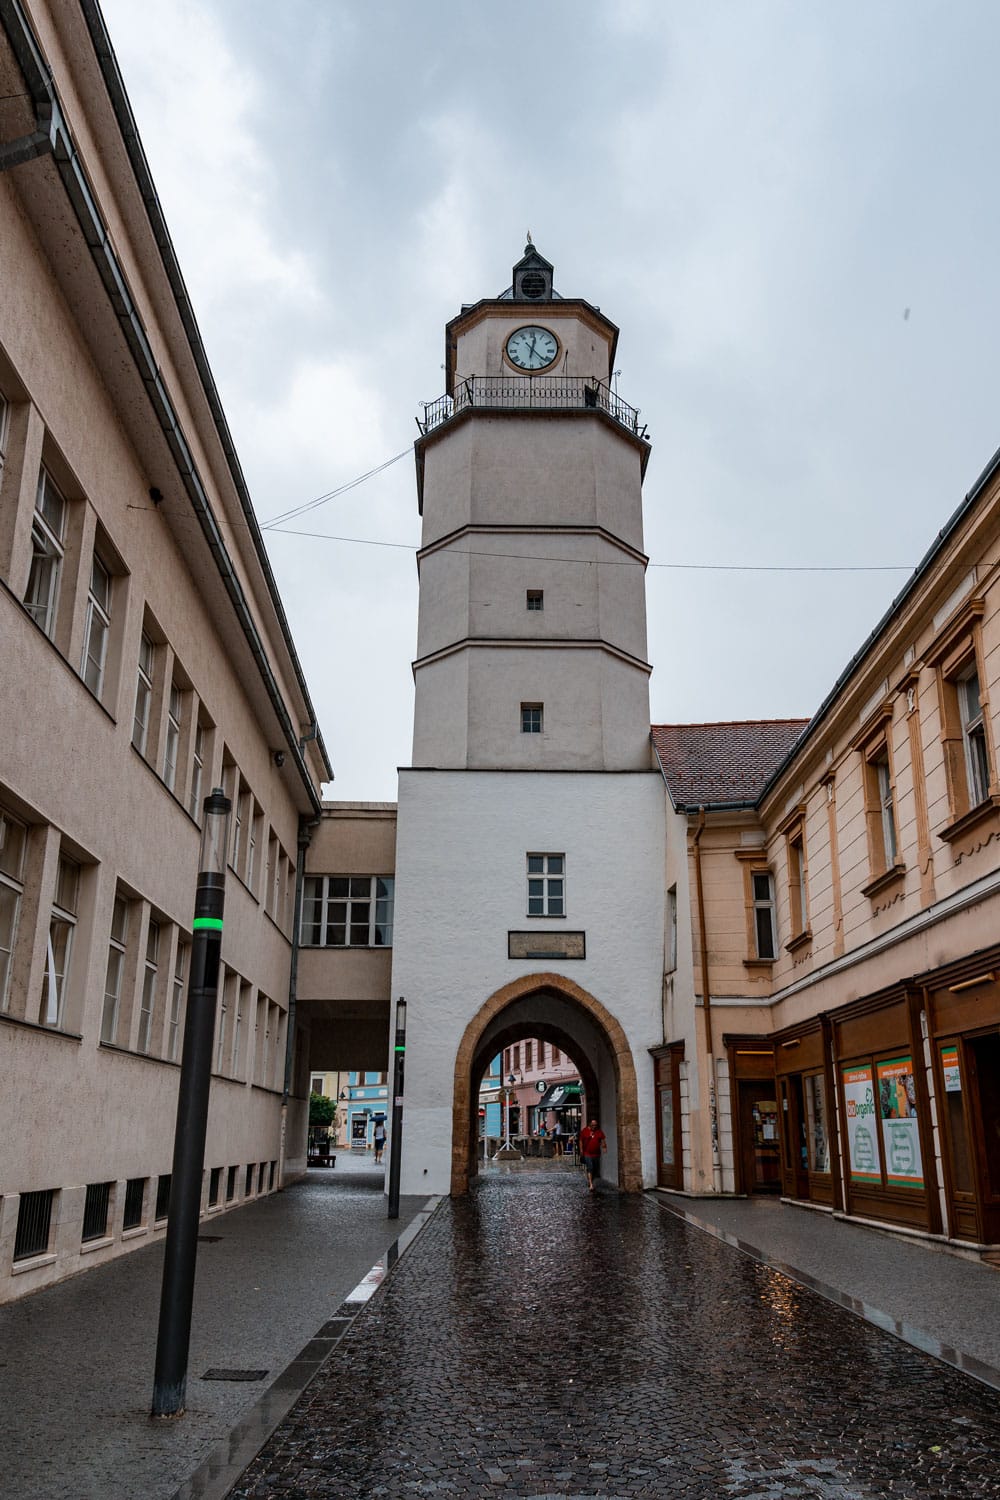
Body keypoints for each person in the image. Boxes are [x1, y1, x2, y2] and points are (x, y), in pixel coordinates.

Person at [578, 1117, 606, 1192]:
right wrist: (581, 1151)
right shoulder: (584, 1131)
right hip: (587, 1153)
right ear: (590, 1124)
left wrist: (604, 1147)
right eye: (593, 1125)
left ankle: (591, 1180)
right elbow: (580, 1141)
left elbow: (602, 1139)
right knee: (590, 1167)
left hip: (596, 1154)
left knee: (595, 1169)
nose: (594, 1126)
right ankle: (591, 1184)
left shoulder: (599, 1131)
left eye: (595, 1125)